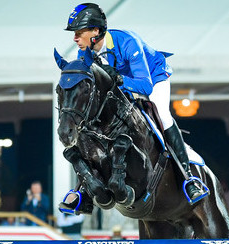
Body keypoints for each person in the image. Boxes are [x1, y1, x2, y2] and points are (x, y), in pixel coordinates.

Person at [59, 3, 208, 214]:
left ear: (95, 31)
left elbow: (144, 86)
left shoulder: (128, 41)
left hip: (153, 78)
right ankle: (84, 190)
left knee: (162, 115)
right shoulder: (85, 52)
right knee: (92, 122)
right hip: (122, 85)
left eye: (79, 33)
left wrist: (118, 78)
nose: (75, 38)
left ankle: (188, 178)